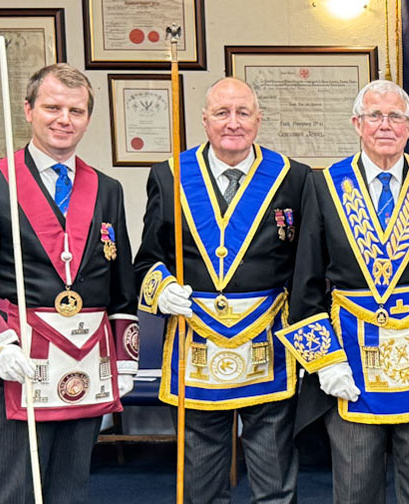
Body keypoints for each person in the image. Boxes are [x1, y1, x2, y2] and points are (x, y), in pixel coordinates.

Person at [0, 63, 138, 503]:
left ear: (88, 118)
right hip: (18, 366)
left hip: (84, 365)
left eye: (76, 110)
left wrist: (124, 360)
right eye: (52, 107)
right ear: (28, 111)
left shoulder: (108, 189)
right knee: (16, 491)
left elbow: (121, 288)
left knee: (71, 489)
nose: (64, 119)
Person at [277, 80, 409, 503]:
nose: (385, 125)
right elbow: (304, 281)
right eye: (375, 115)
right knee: (357, 487)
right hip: (350, 360)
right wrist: (323, 362)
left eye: (395, 116)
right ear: (357, 124)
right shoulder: (324, 184)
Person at [134, 77, 309, 503]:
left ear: (258, 119)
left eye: (243, 112)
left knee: (274, 479)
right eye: (222, 113)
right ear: (204, 120)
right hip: (197, 341)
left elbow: (306, 269)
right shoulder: (170, 175)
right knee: (201, 481)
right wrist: (161, 289)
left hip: (268, 342)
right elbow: (145, 260)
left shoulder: (293, 178)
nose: (233, 123)